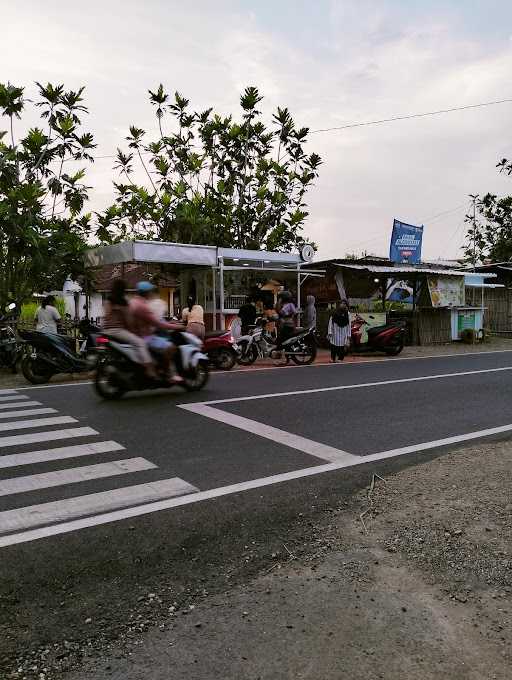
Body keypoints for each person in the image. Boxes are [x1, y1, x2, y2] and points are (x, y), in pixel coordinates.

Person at [130, 281, 184, 383]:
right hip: (146, 337)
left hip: (136, 335)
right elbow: (158, 323)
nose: (151, 293)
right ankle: (168, 373)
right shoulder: (143, 306)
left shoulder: (133, 302)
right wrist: (178, 327)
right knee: (171, 347)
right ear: (146, 293)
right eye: (150, 291)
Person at [101, 279, 156, 378]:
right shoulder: (123, 302)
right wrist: (133, 330)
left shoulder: (108, 300)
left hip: (105, 331)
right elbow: (128, 320)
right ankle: (149, 368)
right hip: (118, 331)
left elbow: (106, 316)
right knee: (140, 342)